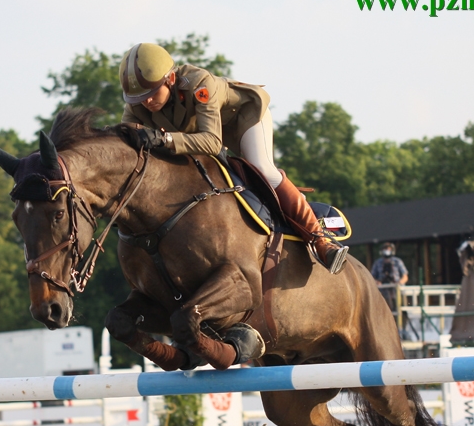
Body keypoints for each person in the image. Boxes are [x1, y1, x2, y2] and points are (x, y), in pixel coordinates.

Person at [118, 43, 348, 274]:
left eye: (151, 93)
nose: (146, 102)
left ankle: (321, 240)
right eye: (139, 98)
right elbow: (124, 142)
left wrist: (163, 139)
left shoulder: (199, 83)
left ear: (170, 78)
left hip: (243, 119)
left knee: (263, 170)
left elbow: (211, 142)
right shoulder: (137, 104)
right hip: (199, 136)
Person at [371, 243, 410, 337]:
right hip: (384, 292)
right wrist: (377, 282)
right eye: (385, 249)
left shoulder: (397, 261)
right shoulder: (378, 263)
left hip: (397, 292)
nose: (386, 251)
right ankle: (387, 331)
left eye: (388, 249)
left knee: (402, 311)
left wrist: (399, 283)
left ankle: (402, 330)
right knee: (386, 312)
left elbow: (405, 276)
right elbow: (371, 277)